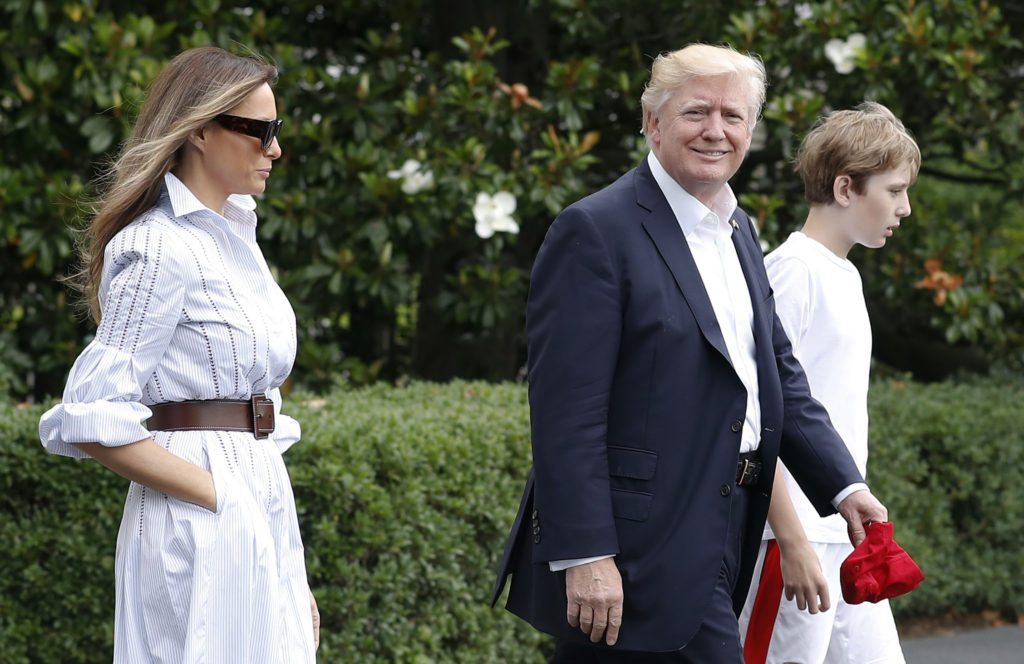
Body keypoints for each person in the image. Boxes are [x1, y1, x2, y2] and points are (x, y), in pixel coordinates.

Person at [491, 43, 889, 663]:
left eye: (733, 116)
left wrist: (844, 487)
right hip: (638, 543)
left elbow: (778, 377)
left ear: (751, 131)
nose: (716, 130)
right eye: (696, 112)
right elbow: (567, 412)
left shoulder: (740, 230)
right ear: (652, 122)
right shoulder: (594, 230)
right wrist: (586, 554)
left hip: (729, 526)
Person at [38, 47, 319, 663]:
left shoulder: (237, 239)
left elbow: (255, 398)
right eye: (261, 130)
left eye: (277, 130)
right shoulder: (157, 247)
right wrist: (221, 495)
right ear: (200, 130)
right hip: (195, 518)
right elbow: (90, 415)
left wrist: (279, 552)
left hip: (262, 496)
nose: (275, 149)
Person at [738, 102, 920, 664]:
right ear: (845, 188)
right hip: (791, 539)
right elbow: (755, 415)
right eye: (894, 191)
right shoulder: (792, 272)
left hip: (844, 535)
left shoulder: (843, 274)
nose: (905, 208)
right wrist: (790, 539)